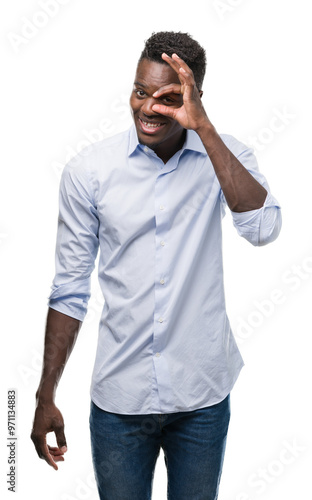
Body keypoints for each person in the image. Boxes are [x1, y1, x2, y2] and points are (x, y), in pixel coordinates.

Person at [31, 31, 282, 499]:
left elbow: (264, 229)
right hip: (119, 401)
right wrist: (46, 392)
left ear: (193, 96)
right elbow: (69, 288)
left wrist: (204, 130)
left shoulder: (224, 155)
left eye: (167, 98)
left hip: (202, 397)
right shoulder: (90, 171)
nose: (148, 108)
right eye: (141, 92)